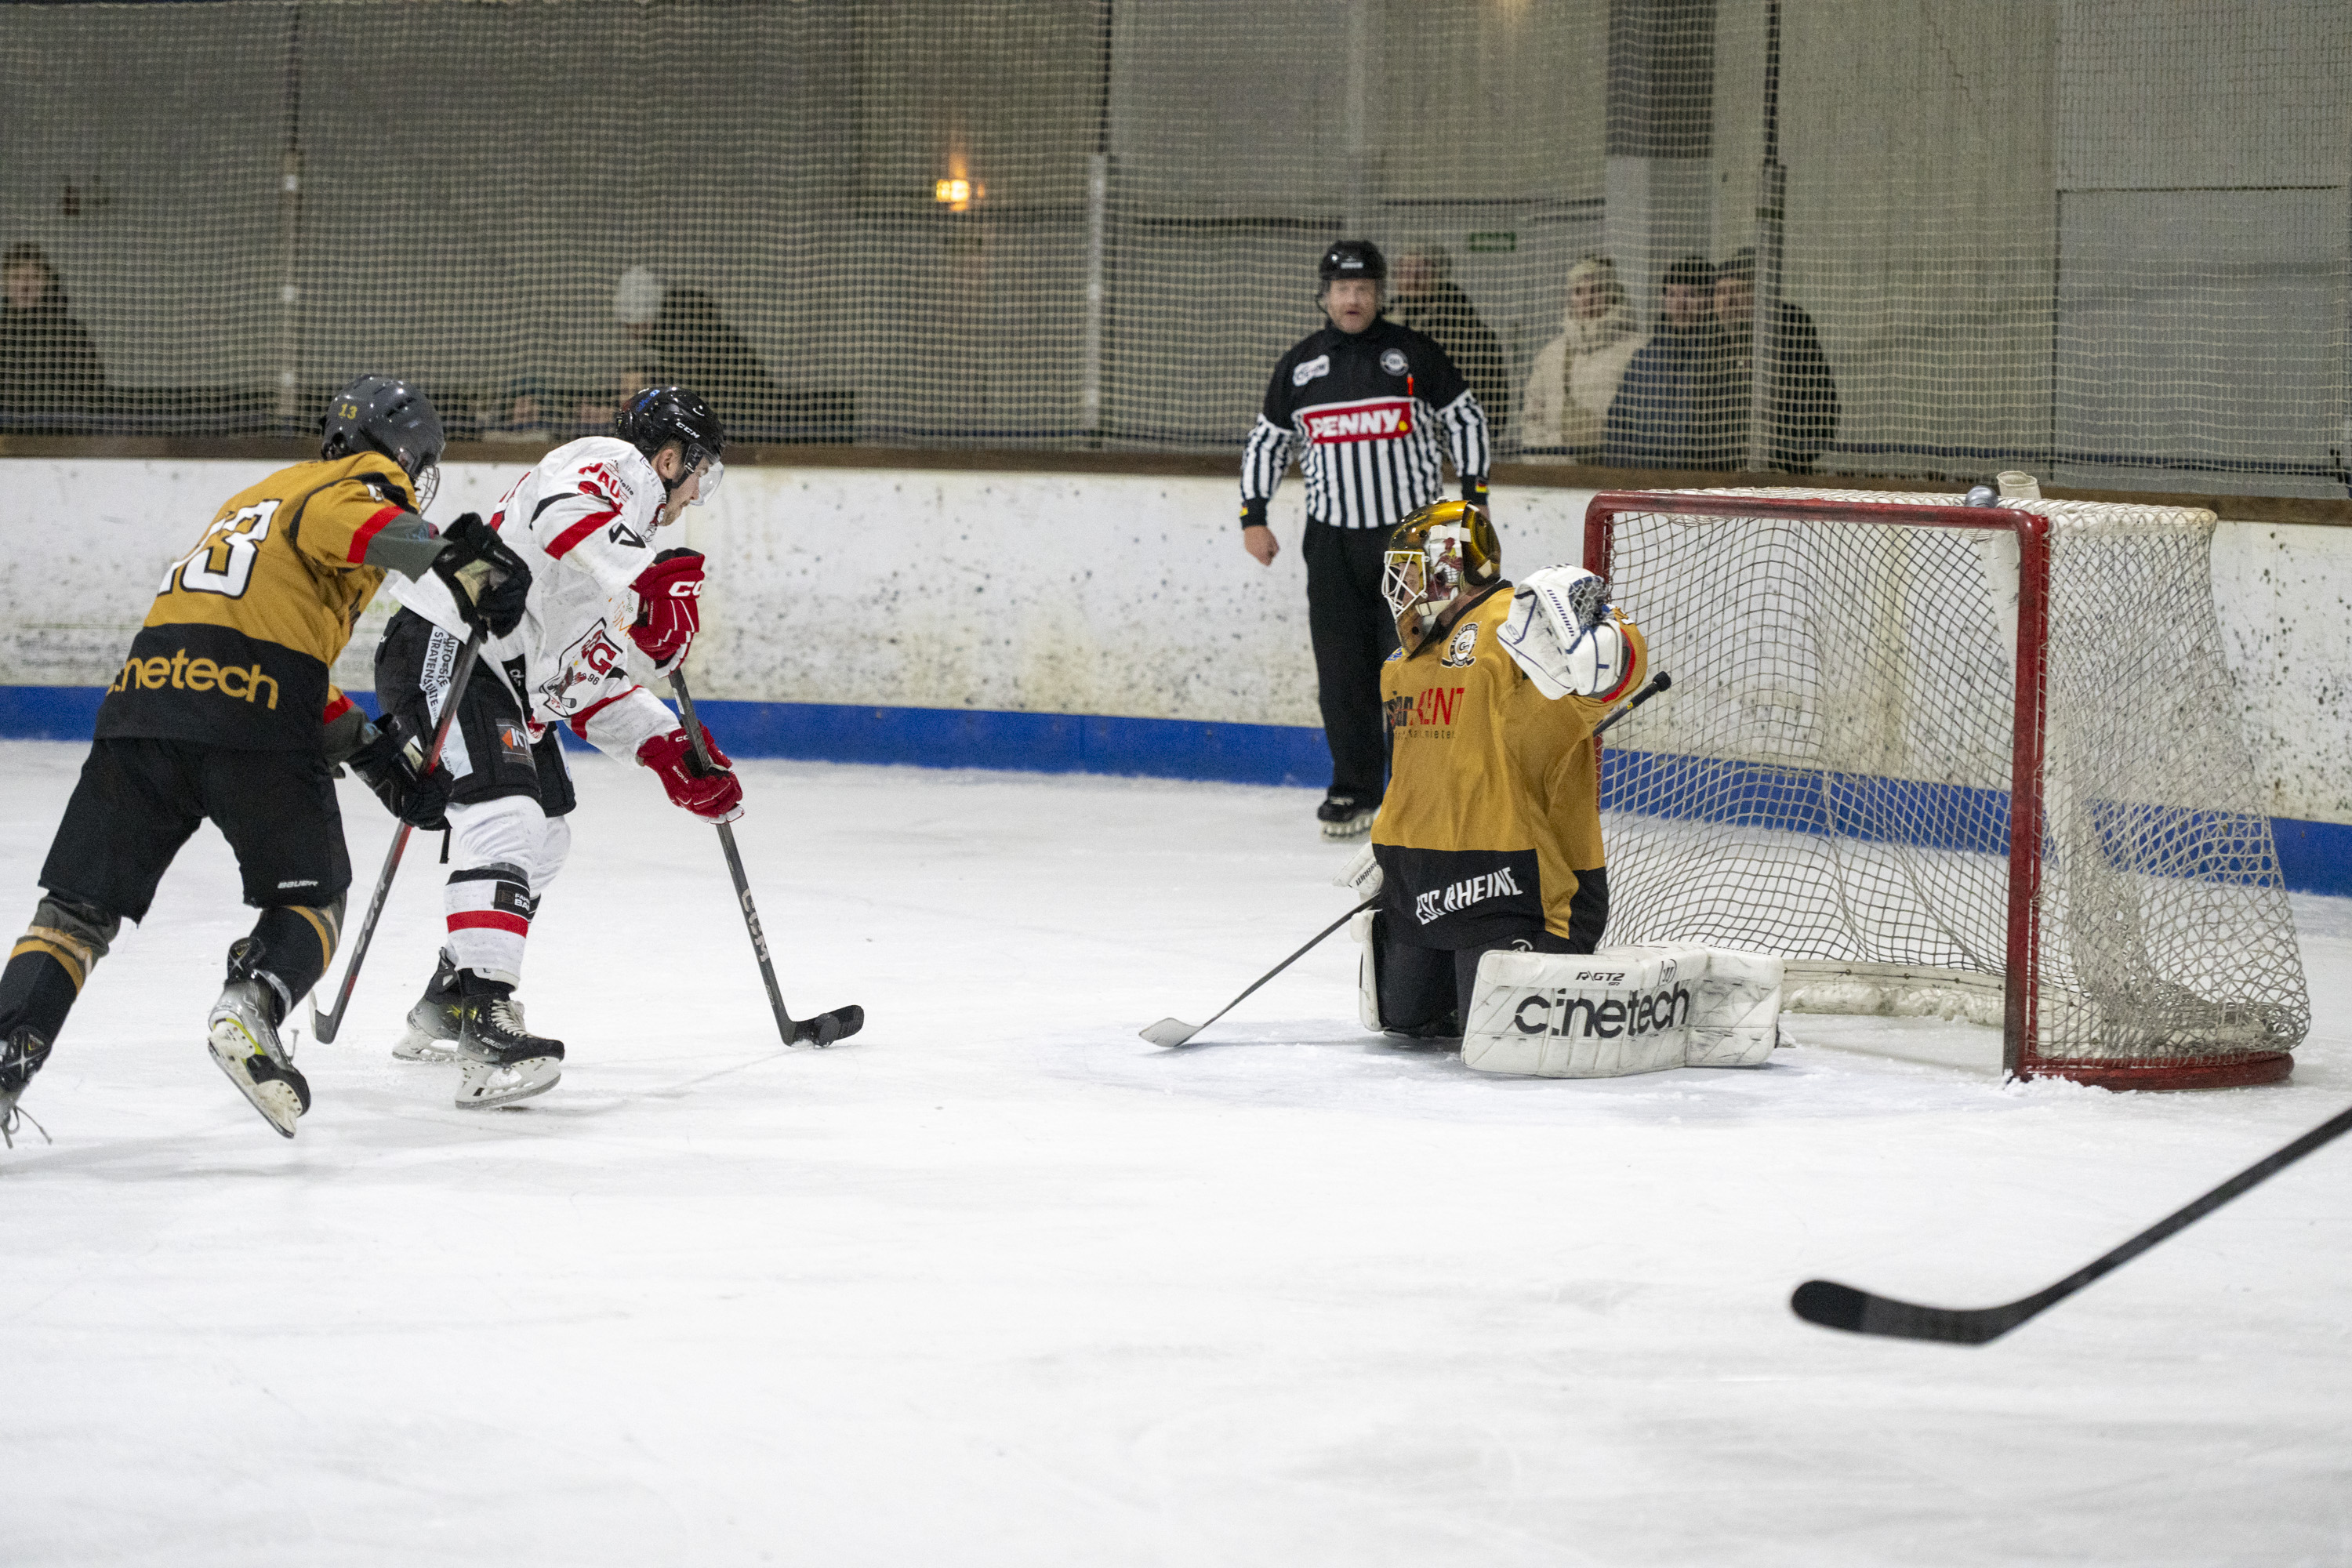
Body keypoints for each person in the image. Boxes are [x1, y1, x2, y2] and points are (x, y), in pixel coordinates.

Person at [0, 377, 531, 1143]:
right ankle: (253, 1000)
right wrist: (464, 566)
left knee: (73, 916)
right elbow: (352, 524)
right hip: (256, 707)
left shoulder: (263, 492)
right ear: (404, 453)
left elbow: (242, 639)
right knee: (315, 902)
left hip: (146, 701)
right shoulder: (357, 485)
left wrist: (375, 746)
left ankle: (7, 1056)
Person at [374, 385, 744, 1110]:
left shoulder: (616, 552)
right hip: (449, 644)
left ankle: (451, 997)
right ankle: (488, 1032)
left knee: (545, 835)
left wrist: (669, 746)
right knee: (508, 814)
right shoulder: (610, 465)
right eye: (700, 472)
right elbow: (559, 513)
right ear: (670, 458)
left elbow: (585, 684)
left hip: (500, 674)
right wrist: (642, 582)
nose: (698, 492)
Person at [1343, 498, 1647, 1036]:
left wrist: (1605, 643)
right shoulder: (1403, 664)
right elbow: (1425, 766)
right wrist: (1392, 840)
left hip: (1514, 885)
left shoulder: (1515, 625)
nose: (1399, 586)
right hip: (1421, 880)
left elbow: (1617, 668)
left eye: (1410, 569)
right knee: (1404, 1019)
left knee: (1496, 1033)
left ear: (1447, 567)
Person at [1240, 238, 1493, 841]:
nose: (1352, 299)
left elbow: (1467, 418)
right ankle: (1353, 788)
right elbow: (1267, 442)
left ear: (1380, 294)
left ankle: (1419, 790)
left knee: (1418, 667)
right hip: (1330, 544)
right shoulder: (1301, 367)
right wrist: (1254, 516)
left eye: (1363, 289)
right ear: (1324, 296)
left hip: (1414, 540)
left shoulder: (1414, 354)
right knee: (1343, 672)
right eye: (1342, 289)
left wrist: (1474, 505)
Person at [606, 267, 782, 436]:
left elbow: (683, 393)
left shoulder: (687, 339)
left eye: (630, 327)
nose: (630, 334)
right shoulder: (688, 330)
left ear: (642, 320)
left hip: (747, 420)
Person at [1602, 256, 1736, 470]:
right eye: (1672, 294)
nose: (1679, 304)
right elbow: (1619, 424)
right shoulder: (1644, 360)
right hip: (1644, 481)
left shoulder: (1724, 356)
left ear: (1710, 299)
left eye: (1690, 295)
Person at [1713, 249, 1840, 472]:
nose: (1728, 301)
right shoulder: (1712, 345)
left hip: (1786, 473)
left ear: (1759, 296)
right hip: (1725, 475)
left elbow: (1822, 407)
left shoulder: (1792, 335)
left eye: (1738, 291)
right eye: (1721, 292)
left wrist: (1790, 455)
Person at [1518, 256, 1644, 459]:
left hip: (1609, 470)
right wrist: (1538, 466)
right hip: (1555, 472)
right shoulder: (1551, 354)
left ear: (1612, 294)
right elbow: (1533, 417)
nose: (1587, 299)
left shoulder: (1636, 350)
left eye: (1596, 290)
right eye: (1578, 292)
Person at [1389, 244, 1512, 439]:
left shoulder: (1469, 332)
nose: (1412, 280)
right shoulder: (1383, 327)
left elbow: (1493, 406)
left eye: (1422, 270)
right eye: (1404, 271)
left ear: (1439, 275)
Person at [0, 243, 106, 423]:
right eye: (17, 277)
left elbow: (92, 392)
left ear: (47, 281)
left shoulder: (71, 336)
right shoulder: (3, 334)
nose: (25, 285)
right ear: (4, 281)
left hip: (61, 436)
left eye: (34, 277)